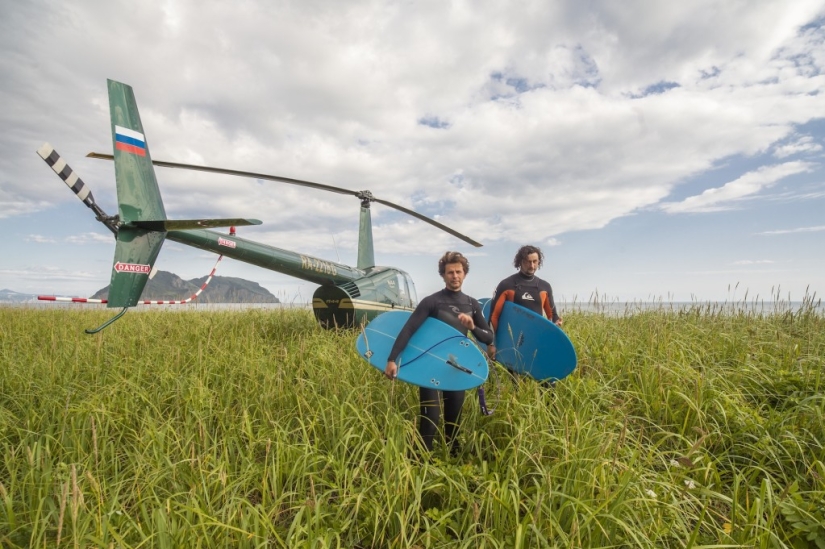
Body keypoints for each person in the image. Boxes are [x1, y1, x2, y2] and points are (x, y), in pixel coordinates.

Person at [384, 251, 493, 455]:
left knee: (453, 421)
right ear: (443, 275)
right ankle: (421, 463)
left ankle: (452, 463)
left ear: (465, 274)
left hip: (455, 369)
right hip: (430, 367)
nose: (454, 276)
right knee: (430, 420)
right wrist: (392, 359)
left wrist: (473, 327)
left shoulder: (471, 304)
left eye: (458, 271)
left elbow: (488, 337)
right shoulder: (432, 302)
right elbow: (408, 329)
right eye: (450, 272)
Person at [488, 245, 561, 362]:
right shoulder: (507, 284)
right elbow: (494, 316)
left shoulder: (544, 287)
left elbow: (552, 315)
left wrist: (556, 323)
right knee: (514, 378)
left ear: (539, 262)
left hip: (536, 339)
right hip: (512, 342)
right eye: (528, 262)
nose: (532, 266)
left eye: (535, 262)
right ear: (520, 262)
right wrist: (491, 344)